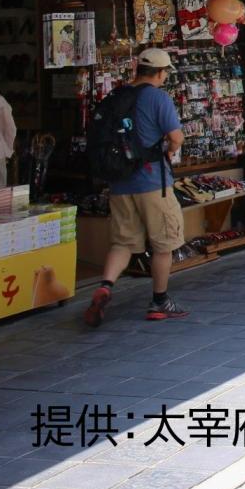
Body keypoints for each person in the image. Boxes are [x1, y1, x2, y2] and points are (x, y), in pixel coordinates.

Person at [83, 48, 188, 325]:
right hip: (153, 182)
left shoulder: (117, 96)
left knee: (122, 243)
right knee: (163, 244)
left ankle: (106, 285)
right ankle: (159, 301)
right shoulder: (157, 98)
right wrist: (167, 148)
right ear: (161, 73)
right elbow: (176, 137)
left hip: (120, 184)